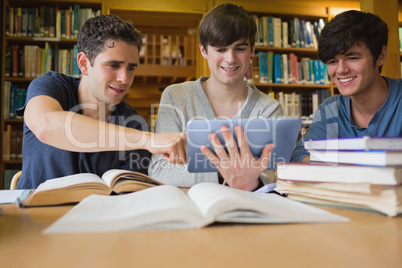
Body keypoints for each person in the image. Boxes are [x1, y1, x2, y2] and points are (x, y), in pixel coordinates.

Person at [16, 15, 186, 189]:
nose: (124, 78)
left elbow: (129, 195)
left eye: (131, 68)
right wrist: (147, 140)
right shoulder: (50, 87)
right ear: (83, 63)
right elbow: (46, 126)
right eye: (113, 65)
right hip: (32, 214)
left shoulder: (134, 124)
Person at [148, 3, 282, 191]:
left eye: (240, 49)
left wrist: (197, 171)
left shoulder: (269, 108)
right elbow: (159, 170)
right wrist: (224, 173)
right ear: (204, 50)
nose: (230, 58)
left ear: (252, 50)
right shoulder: (175, 96)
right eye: (220, 49)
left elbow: (267, 174)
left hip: (247, 207)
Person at [291, 10, 402, 162]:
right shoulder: (331, 110)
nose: (341, 70)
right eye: (332, 61)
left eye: (352, 57)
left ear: (381, 56)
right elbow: (300, 156)